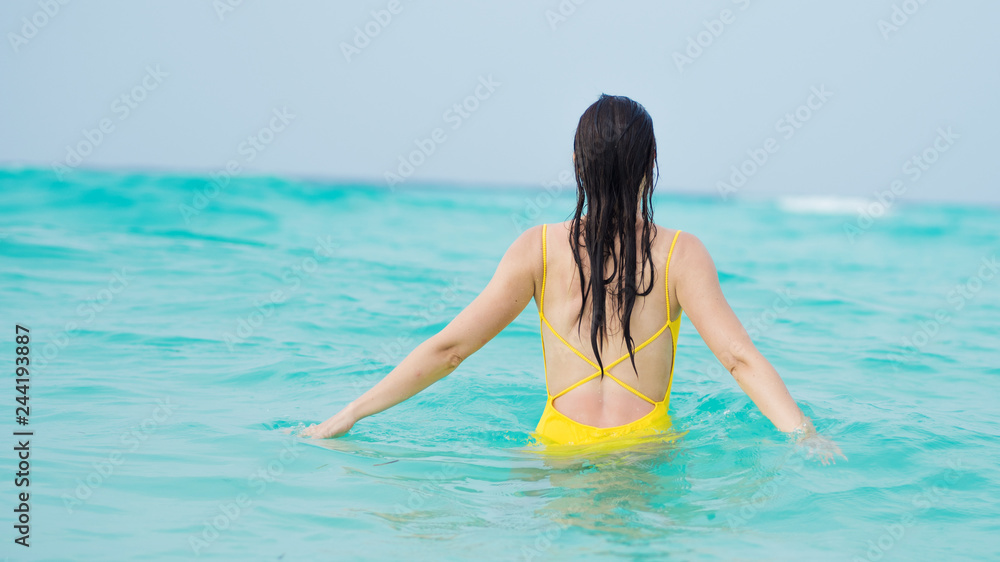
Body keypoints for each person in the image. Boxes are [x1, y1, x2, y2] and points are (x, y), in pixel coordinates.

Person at [303, 94, 846, 464]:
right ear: (651, 163)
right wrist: (805, 434)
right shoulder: (682, 254)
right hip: (643, 452)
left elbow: (449, 350)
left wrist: (351, 411)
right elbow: (739, 358)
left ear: (576, 160)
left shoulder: (537, 249)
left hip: (556, 452)